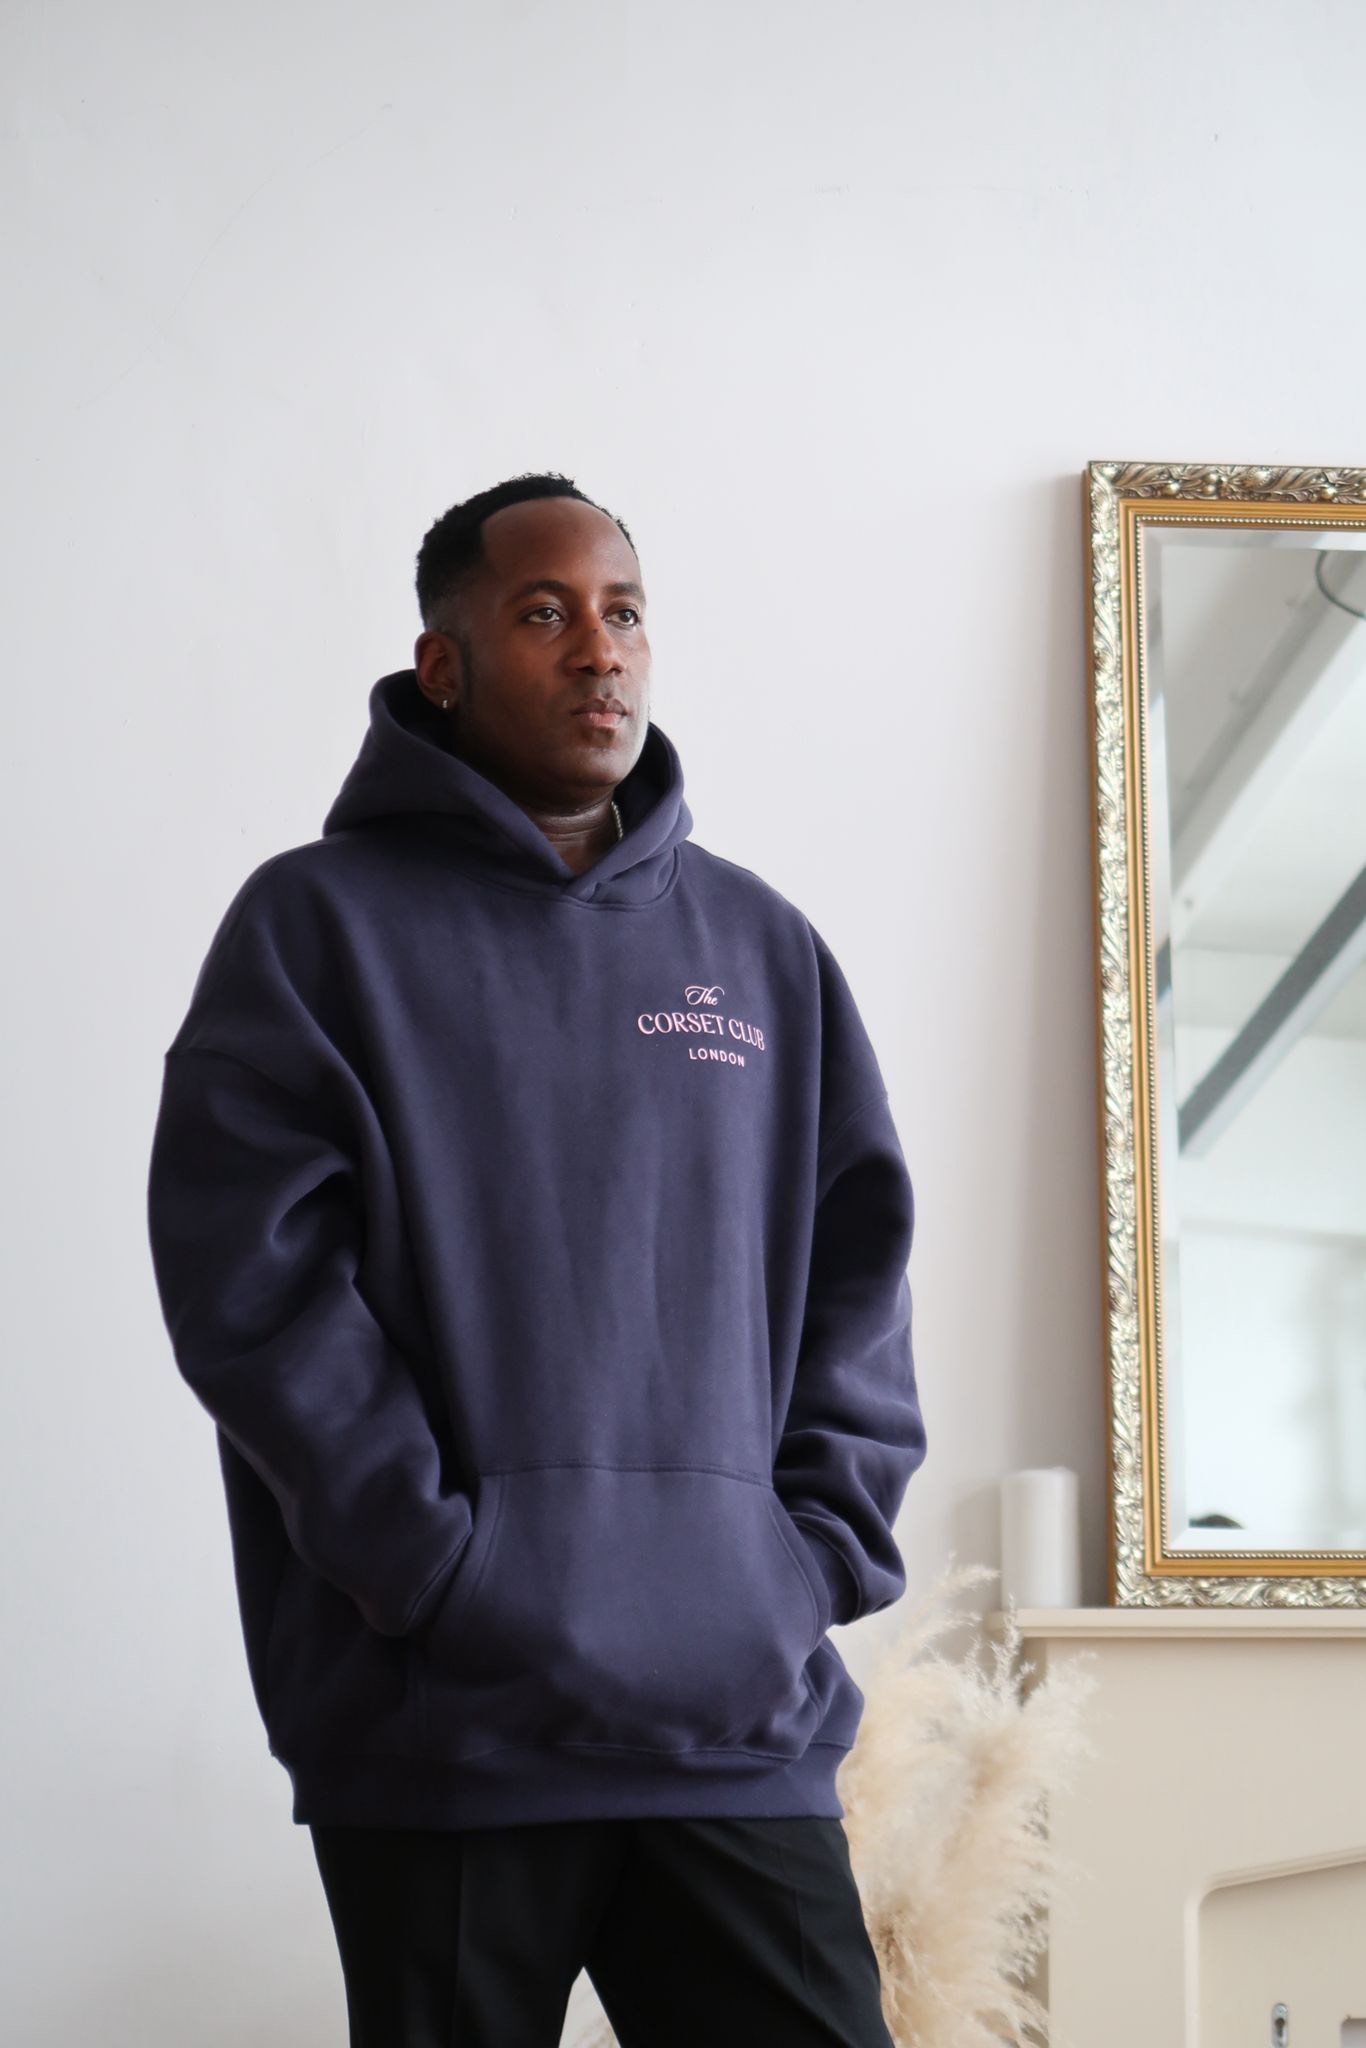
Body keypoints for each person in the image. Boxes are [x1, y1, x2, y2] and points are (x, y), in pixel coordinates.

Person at [146, 472, 928, 2046]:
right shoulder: (317, 931)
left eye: (623, 612)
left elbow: (861, 1265)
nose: (599, 655)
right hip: (441, 1730)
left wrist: (811, 1552)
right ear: (443, 663)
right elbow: (254, 1289)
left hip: (732, 1721)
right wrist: (437, 1568)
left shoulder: (758, 948)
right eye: (544, 613)